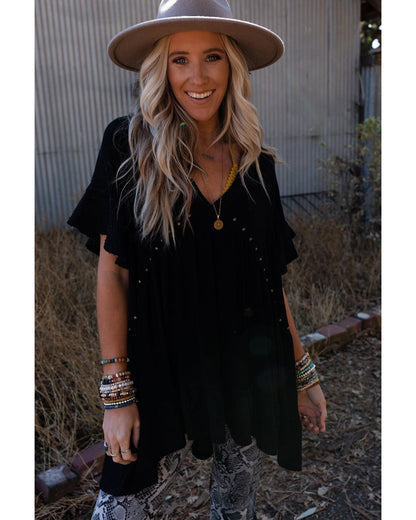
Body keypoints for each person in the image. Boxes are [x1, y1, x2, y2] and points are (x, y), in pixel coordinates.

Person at [68, 1, 327, 518]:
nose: (198, 77)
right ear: (160, 69)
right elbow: (113, 273)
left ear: (233, 65)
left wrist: (304, 374)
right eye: (179, 59)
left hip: (244, 365)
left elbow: (268, 282)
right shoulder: (129, 146)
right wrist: (117, 396)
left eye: (213, 56)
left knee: (236, 502)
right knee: (121, 505)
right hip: (157, 364)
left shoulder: (256, 164)